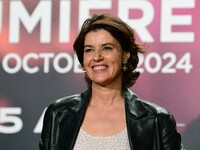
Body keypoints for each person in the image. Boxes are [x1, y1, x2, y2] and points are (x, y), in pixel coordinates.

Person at [39, 13, 184, 150]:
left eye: (107, 48)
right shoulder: (58, 114)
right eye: (89, 50)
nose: (97, 57)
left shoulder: (157, 120)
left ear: (125, 55)